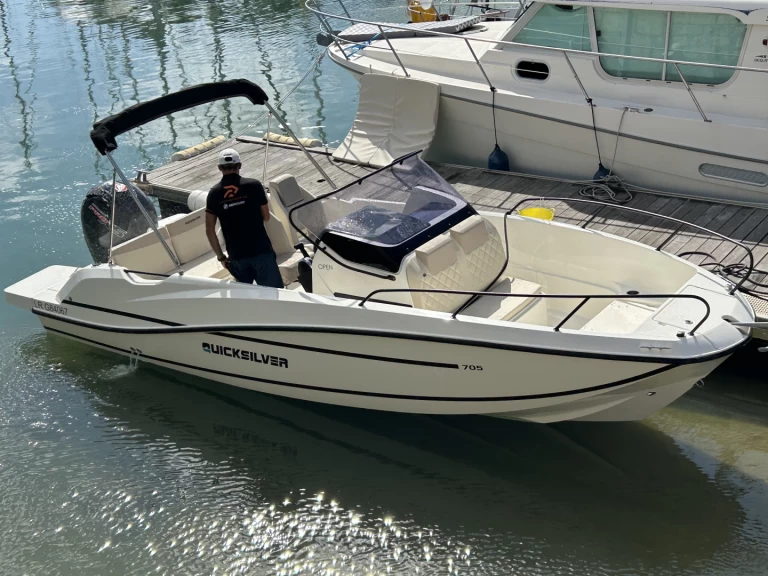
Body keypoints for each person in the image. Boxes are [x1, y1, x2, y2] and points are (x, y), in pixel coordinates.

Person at [205, 148, 283, 288]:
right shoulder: (254, 185)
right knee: (273, 296)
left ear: (219, 168)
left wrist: (221, 257)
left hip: (237, 257)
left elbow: (209, 230)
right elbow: (266, 217)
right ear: (239, 165)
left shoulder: (213, 194)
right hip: (262, 251)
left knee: (246, 298)